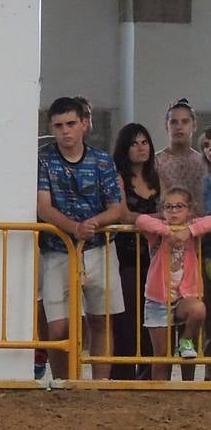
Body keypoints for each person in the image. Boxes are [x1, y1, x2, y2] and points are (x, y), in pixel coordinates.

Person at [35, 96, 127, 380]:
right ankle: (64, 383)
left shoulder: (102, 161)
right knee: (58, 327)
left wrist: (94, 223)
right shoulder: (43, 159)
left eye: (71, 123)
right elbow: (43, 207)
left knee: (101, 320)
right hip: (57, 250)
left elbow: (117, 207)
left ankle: (100, 384)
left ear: (84, 124)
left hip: (99, 248)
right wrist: (75, 228)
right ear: (51, 126)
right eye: (59, 125)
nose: (65, 130)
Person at [135, 187, 210, 378]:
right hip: (158, 298)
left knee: (198, 310)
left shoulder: (193, 227)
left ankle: (185, 342)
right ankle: (161, 394)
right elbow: (140, 220)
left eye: (179, 206)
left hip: (186, 295)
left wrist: (189, 231)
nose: (174, 211)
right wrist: (167, 231)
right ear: (162, 210)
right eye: (169, 207)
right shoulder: (158, 229)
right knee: (160, 354)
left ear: (190, 209)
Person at [112, 122, 160, 379]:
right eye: (134, 143)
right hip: (127, 255)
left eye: (145, 142)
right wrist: (155, 219)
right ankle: (123, 372)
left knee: (154, 314)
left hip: (155, 256)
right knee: (128, 314)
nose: (141, 148)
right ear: (125, 148)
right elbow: (123, 213)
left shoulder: (156, 176)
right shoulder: (119, 177)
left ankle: (151, 371)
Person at [155, 100, 206, 215]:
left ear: (194, 125)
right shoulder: (155, 162)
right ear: (166, 126)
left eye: (185, 122)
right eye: (173, 122)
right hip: (163, 227)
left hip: (201, 228)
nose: (179, 127)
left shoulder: (204, 163)